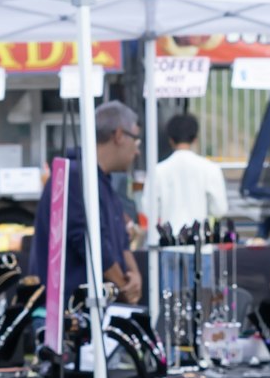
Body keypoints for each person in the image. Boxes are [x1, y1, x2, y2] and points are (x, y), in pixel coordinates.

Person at [32, 99, 142, 303]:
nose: (137, 151)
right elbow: (89, 241)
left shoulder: (104, 181)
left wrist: (134, 276)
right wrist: (123, 286)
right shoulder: (74, 176)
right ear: (118, 135)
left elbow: (121, 241)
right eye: (136, 141)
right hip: (73, 310)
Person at [143, 111, 228, 232]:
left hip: (169, 243)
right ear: (195, 139)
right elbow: (220, 210)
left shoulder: (157, 171)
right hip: (200, 243)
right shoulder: (210, 168)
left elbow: (149, 210)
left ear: (170, 139)